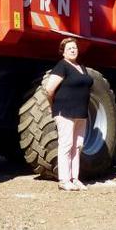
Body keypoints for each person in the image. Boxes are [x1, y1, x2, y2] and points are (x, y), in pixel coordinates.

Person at [43, 37, 93, 191]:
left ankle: (75, 178)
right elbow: (49, 89)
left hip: (80, 112)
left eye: (75, 48)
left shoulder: (81, 67)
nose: (73, 50)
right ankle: (64, 180)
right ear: (63, 52)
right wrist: (54, 106)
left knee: (77, 146)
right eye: (69, 48)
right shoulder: (62, 66)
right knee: (66, 144)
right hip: (65, 111)